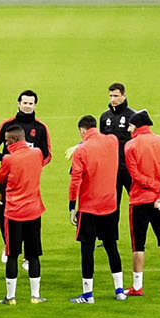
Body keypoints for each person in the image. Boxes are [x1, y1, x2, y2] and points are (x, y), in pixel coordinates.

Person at [67, 115, 126, 303]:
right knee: (111, 246)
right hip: (110, 205)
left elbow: (75, 180)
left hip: (89, 207)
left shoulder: (81, 151)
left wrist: (72, 205)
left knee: (87, 248)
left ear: (82, 130)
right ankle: (119, 290)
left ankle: (88, 294)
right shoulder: (113, 141)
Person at [0, 89, 50, 260]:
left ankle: (28, 255)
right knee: (4, 215)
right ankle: (8, 245)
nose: (27, 106)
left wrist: (32, 166)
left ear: (35, 105)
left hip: (29, 180)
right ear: (18, 103)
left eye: (31, 103)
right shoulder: (7, 125)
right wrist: (8, 161)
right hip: (8, 180)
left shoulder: (40, 128)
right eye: (25, 103)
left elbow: (47, 154)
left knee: (31, 216)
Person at [122, 112, 160, 293]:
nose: (128, 129)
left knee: (138, 244)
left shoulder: (130, 145)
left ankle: (137, 286)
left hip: (139, 200)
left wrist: (154, 186)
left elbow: (135, 175)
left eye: (130, 125)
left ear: (137, 126)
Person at [0, 133, 48, 305]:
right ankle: (35, 295)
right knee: (33, 254)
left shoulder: (8, 159)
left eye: (7, 140)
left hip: (14, 212)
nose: (5, 143)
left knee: (12, 255)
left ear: (13, 140)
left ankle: (10, 297)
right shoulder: (37, 153)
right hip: (34, 210)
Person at [99, 82, 143, 216]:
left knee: (138, 203)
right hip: (112, 170)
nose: (113, 99)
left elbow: (140, 143)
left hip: (130, 169)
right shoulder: (105, 117)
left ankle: (139, 229)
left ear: (124, 96)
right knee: (112, 206)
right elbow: (102, 142)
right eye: (110, 96)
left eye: (116, 96)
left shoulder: (133, 116)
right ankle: (111, 231)